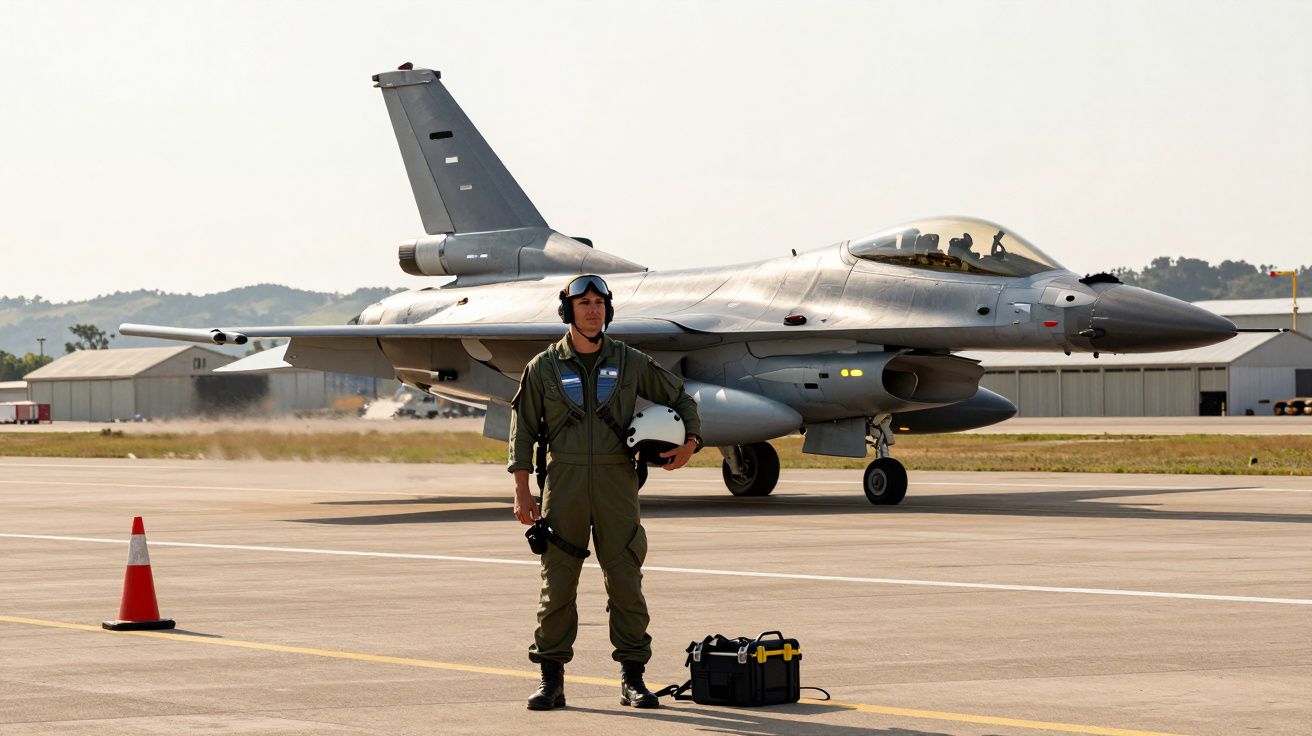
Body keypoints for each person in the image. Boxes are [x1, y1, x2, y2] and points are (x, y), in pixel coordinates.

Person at [508, 274, 703, 711]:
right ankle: (551, 679)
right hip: (565, 484)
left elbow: (681, 399)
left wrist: (690, 444)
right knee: (557, 586)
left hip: (617, 483)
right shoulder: (543, 367)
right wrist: (522, 491)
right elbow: (522, 433)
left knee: (626, 582)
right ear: (568, 311)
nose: (593, 309)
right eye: (584, 303)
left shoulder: (631, 362)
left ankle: (633, 680)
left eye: (599, 302)